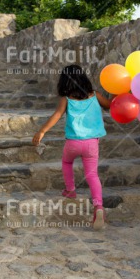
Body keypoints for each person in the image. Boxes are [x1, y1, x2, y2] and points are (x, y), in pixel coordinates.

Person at [32, 65, 112, 230]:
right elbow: (110, 105)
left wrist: (42, 131)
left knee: (67, 163)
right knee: (92, 175)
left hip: (73, 143)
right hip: (91, 144)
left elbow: (56, 115)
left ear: (65, 82)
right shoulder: (95, 95)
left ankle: (70, 190)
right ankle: (98, 207)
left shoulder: (66, 99)